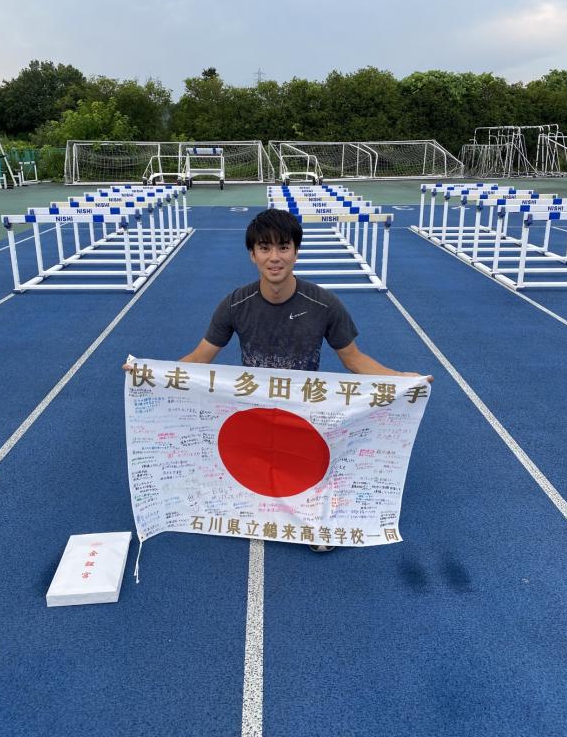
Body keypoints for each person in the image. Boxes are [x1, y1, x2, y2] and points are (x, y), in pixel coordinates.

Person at [126, 208, 432, 552]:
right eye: (265, 248)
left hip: (303, 418)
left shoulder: (324, 304)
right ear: (252, 254)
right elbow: (199, 359)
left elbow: (354, 359)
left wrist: (401, 380)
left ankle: (310, 513)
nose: (275, 257)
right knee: (228, 483)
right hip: (253, 416)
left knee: (317, 482)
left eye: (283, 247)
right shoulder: (235, 304)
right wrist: (150, 374)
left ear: (296, 252)